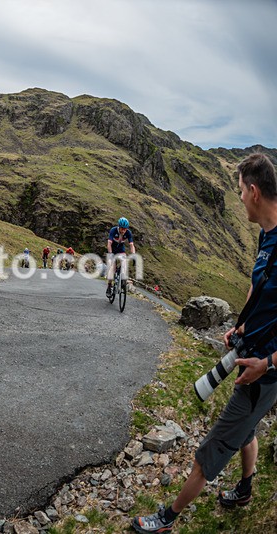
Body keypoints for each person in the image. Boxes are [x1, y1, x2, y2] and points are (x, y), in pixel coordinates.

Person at [131, 153, 277, 533]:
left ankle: (166, 518)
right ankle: (245, 488)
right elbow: (257, 286)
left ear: (255, 192)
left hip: (261, 374)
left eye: (241, 190)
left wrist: (268, 364)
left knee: (210, 450)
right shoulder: (267, 236)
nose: (239, 197)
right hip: (252, 357)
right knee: (246, 433)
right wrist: (241, 325)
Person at [106, 217, 135, 298]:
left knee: (124, 262)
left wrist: (134, 255)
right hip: (112, 249)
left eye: (125, 229)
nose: (123, 231)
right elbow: (109, 244)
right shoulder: (113, 230)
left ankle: (123, 280)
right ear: (119, 227)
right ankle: (109, 286)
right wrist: (111, 254)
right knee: (112, 268)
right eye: (122, 228)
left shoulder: (128, 232)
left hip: (121, 250)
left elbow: (131, 245)